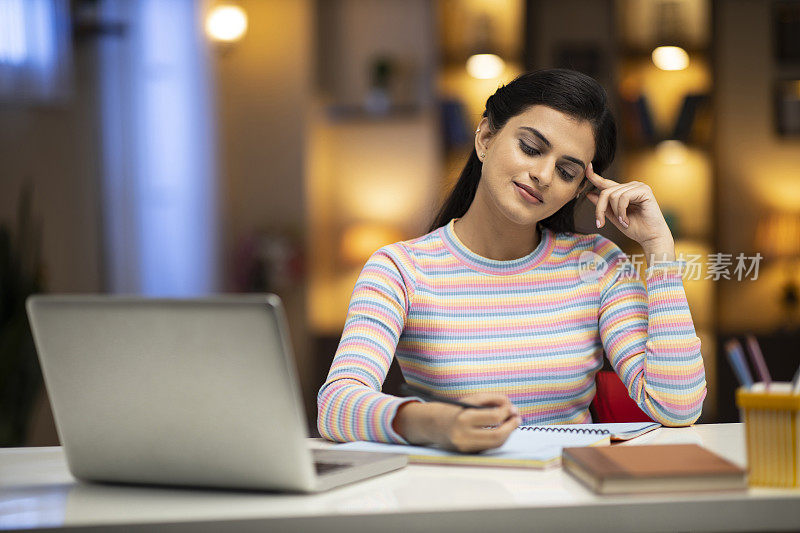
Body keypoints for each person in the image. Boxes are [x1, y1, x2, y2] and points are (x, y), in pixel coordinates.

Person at [317, 68, 707, 453]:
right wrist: (436, 423)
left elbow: (677, 406)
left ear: (577, 191)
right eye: (531, 148)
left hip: (572, 495)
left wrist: (659, 247)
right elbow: (336, 404)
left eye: (566, 171)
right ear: (486, 137)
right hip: (453, 496)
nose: (542, 174)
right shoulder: (400, 269)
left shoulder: (599, 264)